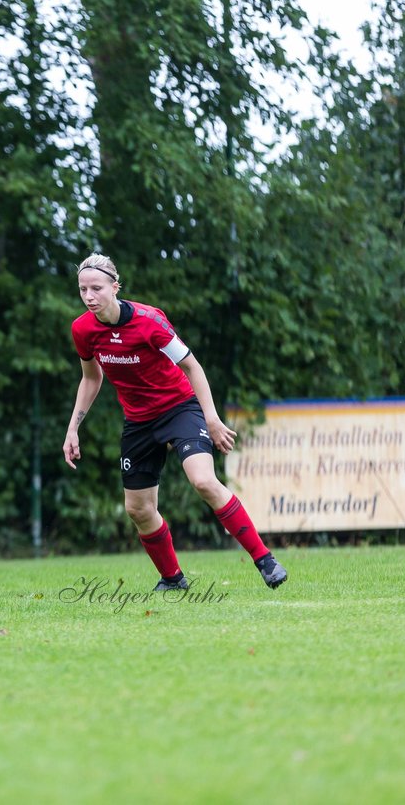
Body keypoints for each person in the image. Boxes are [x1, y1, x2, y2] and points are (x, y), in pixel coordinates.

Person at [61, 253, 288, 591]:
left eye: (97, 288)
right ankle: (173, 579)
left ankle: (265, 561)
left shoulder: (149, 321)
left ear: (115, 286)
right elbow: (92, 379)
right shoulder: (83, 329)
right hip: (138, 421)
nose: (90, 296)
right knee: (138, 509)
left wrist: (211, 418)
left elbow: (192, 366)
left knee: (203, 481)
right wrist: (73, 427)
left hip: (179, 408)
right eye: (83, 290)